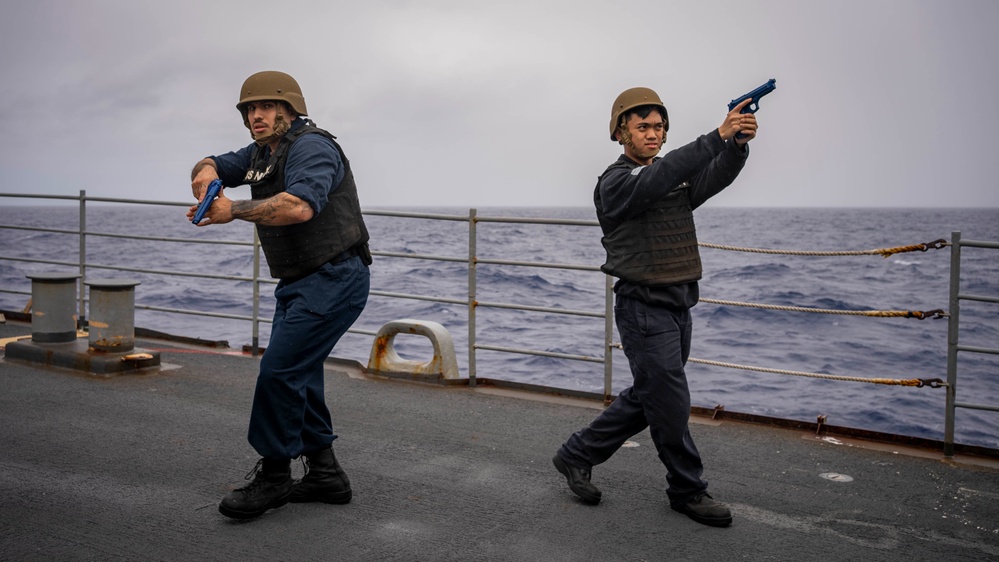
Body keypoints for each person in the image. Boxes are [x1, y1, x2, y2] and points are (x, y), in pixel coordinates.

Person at [552, 87, 758, 527]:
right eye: (643, 126)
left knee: (654, 397)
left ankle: (577, 454)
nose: (653, 133)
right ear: (621, 132)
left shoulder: (668, 178)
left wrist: (736, 145)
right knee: (671, 402)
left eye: (659, 126)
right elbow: (659, 177)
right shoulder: (616, 183)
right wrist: (716, 135)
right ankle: (687, 490)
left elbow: (709, 177)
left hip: (678, 304)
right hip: (643, 308)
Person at [188, 70, 372, 520]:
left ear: (290, 110)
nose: (257, 115)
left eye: (267, 107)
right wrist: (205, 177)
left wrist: (232, 209)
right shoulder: (259, 153)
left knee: (278, 373)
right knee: (300, 372)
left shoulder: (313, 147)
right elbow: (211, 161)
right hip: (297, 281)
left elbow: (300, 205)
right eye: (251, 109)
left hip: (335, 276)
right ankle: (325, 474)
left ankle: (274, 476)